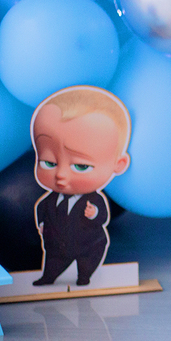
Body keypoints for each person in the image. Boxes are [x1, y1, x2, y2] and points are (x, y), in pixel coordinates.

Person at [30, 86, 131, 287]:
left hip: (88, 243)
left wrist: (94, 214)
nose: (61, 175)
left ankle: (84, 276)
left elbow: (102, 217)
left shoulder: (94, 200)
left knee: (88, 261)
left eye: (81, 166)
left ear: (118, 165)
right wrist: (42, 223)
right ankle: (48, 276)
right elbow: (42, 209)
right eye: (49, 163)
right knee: (53, 262)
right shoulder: (50, 200)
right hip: (56, 243)